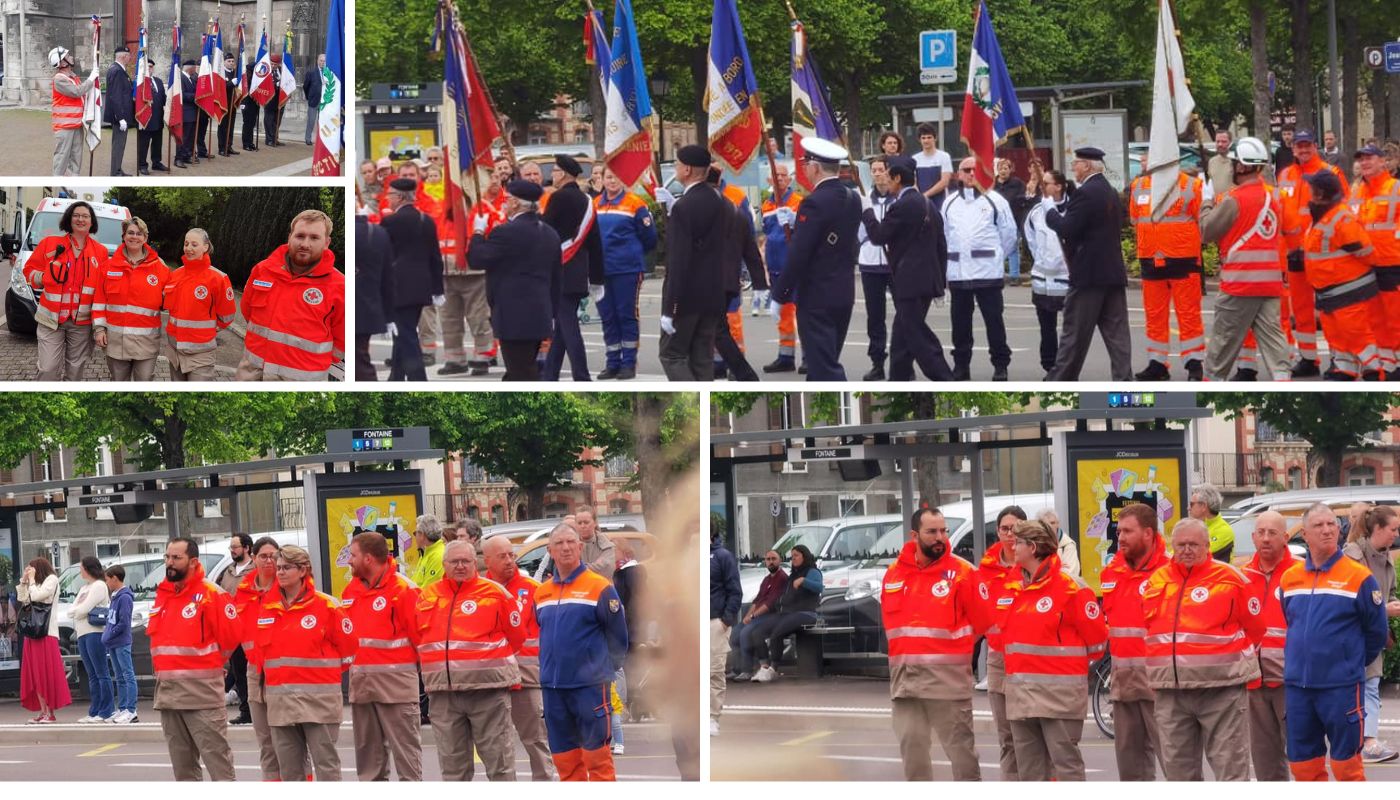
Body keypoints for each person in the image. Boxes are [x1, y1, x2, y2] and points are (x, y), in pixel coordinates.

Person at [1141, 518, 1263, 781]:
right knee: (1178, 774)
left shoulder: (1231, 579)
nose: (1187, 550)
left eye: (1194, 544)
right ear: (1172, 545)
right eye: (1181, 544)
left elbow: (1256, 628)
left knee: (1230, 770)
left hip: (1221, 691)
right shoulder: (1157, 580)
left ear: (1207, 546)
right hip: (1170, 692)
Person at [1280, 503, 1389, 780]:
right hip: (1298, 688)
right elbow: (1290, 622)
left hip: (1340, 688)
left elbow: (1376, 632)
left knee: (1347, 766)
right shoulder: (1290, 579)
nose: (1327, 530)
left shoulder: (1359, 576)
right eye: (1319, 525)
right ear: (1304, 534)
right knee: (1303, 765)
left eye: (1331, 524)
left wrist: (1349, 663)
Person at [883, 508, 988, 780]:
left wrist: (953, 649)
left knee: (962, 757)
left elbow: (983, 623)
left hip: (948, 687)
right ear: (914, 535)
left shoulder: (964, 573)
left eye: (944, 531)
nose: (940, 537)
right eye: (932, 532)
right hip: (906, 686)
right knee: (913, 756)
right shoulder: (894, 574)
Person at [997, 519, 1106, 781]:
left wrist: (1063, 668)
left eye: (1018, 541)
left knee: (1066, 769)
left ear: (1032, 547)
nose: (1012, 544)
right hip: (1021, 697)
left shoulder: (1071, 588)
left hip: (1059, 699)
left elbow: (1098, 641)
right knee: (1030, 774)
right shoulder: (1014, 586)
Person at [416, 539, 523, 782]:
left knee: (500, 765)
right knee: (453, 770)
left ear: (476, 563)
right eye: (455, 561)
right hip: (444, 694)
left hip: (488, 692)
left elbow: (517, 637)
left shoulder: (496, 594)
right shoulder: (427, 595)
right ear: (444, 564)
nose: (461, 566)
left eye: (466, 561)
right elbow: (418, 636)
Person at [535, 523, 629, 780]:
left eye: (570, 543)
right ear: (550, 550)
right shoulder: (541, 593)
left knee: (596, 759)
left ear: (580, 547)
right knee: (565, 760)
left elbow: (618, 636)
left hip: (590, 687)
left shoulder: (599, 587)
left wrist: (601, 670)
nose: (565, 548)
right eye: (559, 544)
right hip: (553, 689)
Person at [255, 545, 356, 781]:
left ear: (303, 571)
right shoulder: (268, 608)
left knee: (327, 768)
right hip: (281, 704)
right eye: (278, 567)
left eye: (286, 567)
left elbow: (349, 649)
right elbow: (263, 654)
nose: (280, 572)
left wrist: (320, 677)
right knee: (290, 773)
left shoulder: (328, 606)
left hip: (319, 704)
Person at [1200, 136, 1293, 382]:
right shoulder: (1273, 197)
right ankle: (1283, 381)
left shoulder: (1235, 199)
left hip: (1239, 285)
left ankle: (1211, 386)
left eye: (1233, 163)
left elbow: (1207, 232)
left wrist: (1207, 201)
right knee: (1274, 345)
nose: (1231, 167)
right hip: (1270, 285)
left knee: (1221, 348)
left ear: (1242, 166)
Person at [148, 537, 240, 780]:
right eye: (167, 557)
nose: (170, 562)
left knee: (219, 766)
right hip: (168, 696)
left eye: (176, 558)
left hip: (202, 696)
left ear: (193, 561)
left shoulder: (212, 595)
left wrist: (210, 665)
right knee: (183, 770)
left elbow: (231, 639)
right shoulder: (163, 594)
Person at [771, 137, 863, 381]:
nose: (804, 169)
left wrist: (780, 294)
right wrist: (797, 223)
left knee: (825, 371)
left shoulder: (813, 202)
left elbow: (800, 253)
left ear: (816, 167)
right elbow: (846, 242)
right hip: (843, 292)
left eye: (805, 163)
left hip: (816, 296)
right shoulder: (853, 198)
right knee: (821, 365)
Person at [861, 154, 954, 381]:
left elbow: (878, 236)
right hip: (925, 280)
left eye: (889, 177)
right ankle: (898, 380)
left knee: (916, 333)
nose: (886, 181)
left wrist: (867, 212)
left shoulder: (902, 205)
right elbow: (941, 246)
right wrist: (940, 283)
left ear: (897, 178)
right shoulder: (928, 204)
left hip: (909, 281)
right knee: (901, 338)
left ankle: (945, 379)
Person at [1045, 146, 1133, 380]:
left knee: (1074, 334)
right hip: (1112, 273)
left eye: (1076, 163)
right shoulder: (1109, 191)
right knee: (1118, 336)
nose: (1073, 168)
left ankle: (1060, 380)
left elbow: (1068, 228)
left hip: (1088, 276)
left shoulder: (1086, 193)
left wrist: (1050, 212)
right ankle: (1124, 380)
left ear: (1086, 165)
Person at [342, 531, 424, 781]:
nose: (349, 561)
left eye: (352, 555)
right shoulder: (350, 591)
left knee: (407, 762)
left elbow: (421, 639)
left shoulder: (404, 589)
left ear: (368, 558)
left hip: (396, 688)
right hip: (362, 687)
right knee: (369, 766)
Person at [1098, 503, 1168, 780]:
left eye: (1128, 531)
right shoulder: (1112, 572)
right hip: (1123, 681)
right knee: (1130, 768)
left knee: (1174, 762)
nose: (1120, 537)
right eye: (1119, 531)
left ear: (1148, 533)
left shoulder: (1168, 572)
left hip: (1159, 683)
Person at [467, 179, 561, 380]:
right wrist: (552, 312)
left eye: (507, 199)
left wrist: (477, 232)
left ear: (516, 203)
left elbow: (476, 259)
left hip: (513, 316)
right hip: (540, 313)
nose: (504, 203)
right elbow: (556, 278)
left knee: (521, 373)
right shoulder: (550, 233)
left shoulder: (505, 232)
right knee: (521, 369)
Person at [236, 209, 345, 381]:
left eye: (314, 237)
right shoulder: (262, 270)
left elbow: (344, 338)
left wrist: (310, 361)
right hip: (251, 372)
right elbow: (247, 311)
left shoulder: (340, 286)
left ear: (327, 242)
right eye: (300, 236)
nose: (305, 244)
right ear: (290, 237)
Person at [1279, 130, 1351, 376]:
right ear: (1293, 149)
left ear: (1315, 146)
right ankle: (1309, 359)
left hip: (1324, 253)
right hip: (1295, 254)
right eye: (1299, 146)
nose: (1303, 150)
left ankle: (1338, 359)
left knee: (1331, 309)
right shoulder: (1286, 175)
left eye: (1307, 145)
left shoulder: (1330, 174)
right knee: (1300, 310)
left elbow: (1343, 212)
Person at [1129, 153, 1207, 381]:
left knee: (1189, 315)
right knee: (1154, 316)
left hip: (1184, 261)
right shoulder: (1138, 186)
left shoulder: (1191, 185)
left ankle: (1194, 363)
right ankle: (1157, 363)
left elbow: (1202, 218)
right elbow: (1136, 218)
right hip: (1151, 260)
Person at [483, 535, 555, 780]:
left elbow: (547, 633)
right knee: (497, 743)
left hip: (527, 678)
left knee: (535, 738)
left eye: (511, 555)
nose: (509, 561)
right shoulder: (482, 590)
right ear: (488, 560)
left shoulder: (533, 590)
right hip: (493, 679)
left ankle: (543, 783)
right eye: (502, 556)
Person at [943, 156, 1017, 381]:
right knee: (960, 326)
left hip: (987, 274)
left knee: (994, 322)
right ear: (958, 173)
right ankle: (961, 366)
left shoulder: (995, 200)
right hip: (958, 274)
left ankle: (1000, 365)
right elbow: (945, 236)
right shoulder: (949, 203)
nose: (971, 174)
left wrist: (994, 258)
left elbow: (1009, 235)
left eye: (975, 170)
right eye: (966, 170)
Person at [1301, 170, 1381, 379]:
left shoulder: (1341, 218)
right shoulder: (1322, 216)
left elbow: (1366, 252)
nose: (1308, 193)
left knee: (1357, 336)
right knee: (1337, 337)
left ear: (1320, 193)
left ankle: (1376, 370)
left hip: (1348, 292)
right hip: (1330, 293)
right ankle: (1345, 369)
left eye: (1312, 189)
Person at [659, 145, 728, 381]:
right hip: (712, 294)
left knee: (672, 355)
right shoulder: (718, 200)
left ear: (687, 169)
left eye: (677, 164)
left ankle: (695, 403)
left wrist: (671, 308)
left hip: (686, 298)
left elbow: (679, 260)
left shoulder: (683, 206)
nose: (676, 169)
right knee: (702, 357)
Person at [233, 536, 299, 780]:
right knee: (266, 744)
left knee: (291, 746)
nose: (269, 561)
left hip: (282, 673)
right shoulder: (243, 590)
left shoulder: (288, 590)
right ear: (254, 558)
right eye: (263, 556)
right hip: (255, 672)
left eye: (274, 556)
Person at [1342, 505, 1400, 763]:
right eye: (1393, 529)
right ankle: (1365, 742)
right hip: (1352, 637)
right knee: (1360, 687)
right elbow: (1346, 600)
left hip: (1372, 636)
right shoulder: (1353, 556)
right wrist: (1383, 610)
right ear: (1377, 529)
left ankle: (1368, 741)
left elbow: (1388, 593)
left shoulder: (1385, 557)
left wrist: (1392, 604)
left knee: (1371, 685)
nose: (1396, 535)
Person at [439, 160, 506, 377]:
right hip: (447, 272)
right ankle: (454, 358)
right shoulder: (443, 211)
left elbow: (497, 239)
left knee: (478, 317)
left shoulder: (485, 209)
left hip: (474, 272)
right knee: (449, 318)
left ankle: (483, 356)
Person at [25, 201, 105, 381]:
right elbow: (28, 271)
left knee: (75, 373)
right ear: (69, 219)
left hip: (81, 324)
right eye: (76, 215)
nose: (80, 219)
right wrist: (45, 277)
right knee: (48, 369)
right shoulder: (50, 244)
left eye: (85, 216)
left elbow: (102, 289)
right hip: (51, 320)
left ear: (92, 222)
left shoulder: (100, 252)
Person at [542, 155, 604, 381]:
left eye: (556, 170)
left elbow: (545, 232)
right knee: (562, 328)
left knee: (568, 327)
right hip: (579, 271)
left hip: (561, 270)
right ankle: (549, 375)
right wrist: (597, 278)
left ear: (565, 174)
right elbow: (595, 241)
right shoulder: (587, 200)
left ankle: (582, 376)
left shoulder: (558, 198)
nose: (552, 175)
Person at [1243, 510, 1295, 780]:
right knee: (1264, 761)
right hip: (1253, 682)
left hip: (1291, 681)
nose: (1265, 538)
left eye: (1272, 533)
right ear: (1253, 537)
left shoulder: (1299, 573)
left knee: (1302, 756)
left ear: (1285, 537)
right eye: (1260, 532)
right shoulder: (1240, 577)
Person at [594, 166, 658, 380]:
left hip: (627, 270)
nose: (613, 181)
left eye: (617, 177)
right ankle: (612, 362)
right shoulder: (595, 205)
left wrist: (631, 254)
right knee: (607, 316)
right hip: (601, 271)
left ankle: (628, 363)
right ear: (601, 179)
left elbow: (649, 237)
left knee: (626, 315)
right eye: (609, 177)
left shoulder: (635, 204)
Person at [379, 177, 443, 382]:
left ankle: (418, 379)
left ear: (399, 197)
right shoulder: (427, 220)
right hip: (421, 287)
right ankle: (395, 378)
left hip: (398, 287)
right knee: (402, 333)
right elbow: (435, 257)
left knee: (406, 335)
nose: (387, 199)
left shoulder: (390, 221)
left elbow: (383, 256)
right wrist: (438, 289)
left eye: (389, 194)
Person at [89, 217, 168, 381]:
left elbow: (171, 300)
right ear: (124, 236)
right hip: (116, 342)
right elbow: (99, 301)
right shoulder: (107, 267)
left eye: (139, 233)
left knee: (144, 385)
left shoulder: (160, 268)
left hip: (146, 343)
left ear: (145, 238)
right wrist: (99, 329)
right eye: (130, 233)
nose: (134, 237)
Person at [1349, 144, 1400, 377]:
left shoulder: (1395, 189)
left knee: (1394, 318)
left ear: (1383, 161)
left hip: (1391, 263)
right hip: (1364, 266)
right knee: (1374, 319)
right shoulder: (1357, 192)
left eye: (1370, 158)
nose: (1365, 162)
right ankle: (1387, 366)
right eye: (1362, 159)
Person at [163, 228, 235, 381]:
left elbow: (227, 316)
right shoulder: (175, 275)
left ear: (206, 247)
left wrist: (210, 330)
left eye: (194, 244)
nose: (188, 248)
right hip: (174, 350)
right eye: (186, 243)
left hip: (201, 354)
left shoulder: (218, 278)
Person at [1023, 166, 1073, 374]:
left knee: (1071, 330)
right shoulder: (1036, 212)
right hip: (1042, 281)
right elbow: (1030, 239)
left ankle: (1067, 368)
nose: (1042, 185)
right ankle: (1049, 367)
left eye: (1047, 182)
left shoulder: (1074, 209)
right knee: (1047, 328)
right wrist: (1042, 260)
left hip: (1068, 280)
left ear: (1059, 186)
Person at [750, 544, 824, 683]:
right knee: (757, 631)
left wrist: (804, 581)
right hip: (787, 613)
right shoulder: (793, 575)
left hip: (806, 613)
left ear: (804, 556)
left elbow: (819, 587)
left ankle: (774, 668)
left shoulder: (812, 571)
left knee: (777, 632)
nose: (793, 559)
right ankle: (764, 666)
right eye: (792, 556)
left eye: (796, 556)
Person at [759, 163, 804, 373]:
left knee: (802, 312)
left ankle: (809, 357)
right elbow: (767, 234)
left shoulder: (798, 202)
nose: (779, 179)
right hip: (776, 265)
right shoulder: (767, 204)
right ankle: (786, 357)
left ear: (789, 179)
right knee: (783, 313)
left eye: (783, 175)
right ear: (769, 180)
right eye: (775, 175)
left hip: (793, 264)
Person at [857, 156, 896, 380]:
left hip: (894, 264)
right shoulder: (865, 200)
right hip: (871, 263)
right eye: (874, 170)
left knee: (904, 315)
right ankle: (877, 362)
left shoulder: (897, 199)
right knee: (875, 316)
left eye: (881, 169)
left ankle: (905, 362)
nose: (878, 174)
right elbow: (859, 231)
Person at [18, 558, 71, 724]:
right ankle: (42, 711)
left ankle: (50, 713)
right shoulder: (36, 582)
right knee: (35, 673)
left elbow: (37, 596)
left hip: (46, 632)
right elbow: (24, 599)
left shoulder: (52, 580)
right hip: (33, 632)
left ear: (38, 568)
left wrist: (32, 581)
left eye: (31, 568)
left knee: (44, 672)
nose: (29, 571)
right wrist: (24, 581)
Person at [213, 533, 254, 723]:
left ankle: (258, 709)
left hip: (251, 629)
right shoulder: (228, 572)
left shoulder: (255, 569)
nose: (232, 550)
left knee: (254, 671)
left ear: (246, 548)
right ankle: (246, 711)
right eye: (231, 547)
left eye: (235, 547)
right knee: (238, 672)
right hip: (232, 630)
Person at [67, 556, 113, 723]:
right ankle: (94, 711)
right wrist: (78, 611)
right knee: (92, 674)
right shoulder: (84, 587)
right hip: (82, 633)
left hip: (95, 632)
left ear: (88, 568)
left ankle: (106, 710)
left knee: (101, 672)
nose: (80, 570)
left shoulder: (100, 585)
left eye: (81, 567)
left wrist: (78, 611)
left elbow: (82, 610)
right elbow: (72, 609)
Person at [730, 550, 787, 681]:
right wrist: (748, 616)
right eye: (768, 559)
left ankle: (747, 670)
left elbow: (770, 603)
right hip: (758, 616)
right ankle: (736, 669)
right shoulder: (766, 579)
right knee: (735, 633)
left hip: (772, 615)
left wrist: (753, 617)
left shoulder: (782, 578)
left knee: (746, 632)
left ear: (780, 561)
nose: (771, 562)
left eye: (774, 559)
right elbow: (757, 600)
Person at [355, 207, 395, 380]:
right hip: (367, 306)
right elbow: (388, 279)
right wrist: (389, 316)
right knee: (361, 359)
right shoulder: (378, 234)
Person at [710, 526, 741, 735]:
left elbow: (734, 590)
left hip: (714, 621)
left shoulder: (722, 557)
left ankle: (712, 716)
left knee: (713, 671)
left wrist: (725, 620)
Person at [49, 47, 98, 176]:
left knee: (76, 157)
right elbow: (77, 92)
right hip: (65, 127)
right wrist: (91, 79)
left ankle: (73, 181)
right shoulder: (59, 79)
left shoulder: (73, 77)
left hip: (77, 124)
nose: (71, 57)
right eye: (67, 55)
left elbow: (82, 94)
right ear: (63, 62)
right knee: (62, 157)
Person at [101, 565, 137, 724]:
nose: (106, 583)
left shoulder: (124, 597)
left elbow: (123, 622)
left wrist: (109, 634)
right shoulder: (115, 596)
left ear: (115, 578)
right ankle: (122, 708)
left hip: (121, 642)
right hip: (114, 642)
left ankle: (131, 710)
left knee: (128, 675)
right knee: (120, 677)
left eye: (108, 579)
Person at [993, 158, 1028, 284]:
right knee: (996, 247)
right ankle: (997, 274)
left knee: (1013, 247)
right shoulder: (992, 184)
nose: (1003, 171)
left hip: (1013, 220)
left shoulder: (1017, 183)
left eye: (1005, 168)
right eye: (1001, 168)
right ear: (997, 170)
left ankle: (1014, 275)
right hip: (996, 221)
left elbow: (1022, 197)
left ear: (1010, 170)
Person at [104, 46, 135, 176]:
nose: (130, 58)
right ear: (123, 57)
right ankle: (115, 172)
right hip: (119, 116)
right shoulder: (117, 71)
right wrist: (120, 117)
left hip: (121, 114)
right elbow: (116, 96)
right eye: (128, 56)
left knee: (120, 145)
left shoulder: (118, 70)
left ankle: (117, 169)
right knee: (118, 144)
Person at [912, 122, 954, 213]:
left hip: (940, 204)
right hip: (921, 205)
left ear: (935, 138)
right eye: (923, 138)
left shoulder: (944, 156)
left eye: (929, 137)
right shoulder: (914, 159)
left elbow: (945, 182)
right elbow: (913, 182)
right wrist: (919, 197)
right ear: (919, 140)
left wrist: (925, 195)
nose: (926, 141)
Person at [136, 59, 169, 174]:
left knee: (157, 142)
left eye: (151, 66)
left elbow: (163, 98)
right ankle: (142, 165)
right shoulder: (139, 82)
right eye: (147, 66)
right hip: (145, 118)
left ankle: (156, 162)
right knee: (144, 143)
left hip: (158, 117)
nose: (149, 68)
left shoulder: (158, 81)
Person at [1188, 483, 1235, 561]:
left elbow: (1196, 555)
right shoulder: (1194, 528)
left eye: (1191, 504)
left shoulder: (1223, 530)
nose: (1188, 508)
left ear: (1203, 506)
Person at [1035, 508, 1079, 578]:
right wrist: (1057, 568)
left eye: (1053, 523)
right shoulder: (1034, 545)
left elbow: (1070, 574)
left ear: (1058, 524)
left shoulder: (1067, 545)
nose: (1050, 526)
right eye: (1046, 524)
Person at [575, 506, 615, 581]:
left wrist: (577, 569)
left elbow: (605, 569)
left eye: (586, 522)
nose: (583, 526)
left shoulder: (607, 545)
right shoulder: (571, 545)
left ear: (595, 523)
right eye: (579, 523)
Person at [411, 513, 447, 587]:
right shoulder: (426, 553)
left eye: (415, 533)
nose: (415, 537)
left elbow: (428, 590)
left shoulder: (438, 556)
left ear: (422, 535)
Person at [174, 61, 198, 168]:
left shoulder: (191, 78)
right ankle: (178, 158)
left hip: (192, 112)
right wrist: (196, 96)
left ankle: (186, 155)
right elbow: (182, 95)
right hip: (185, 112)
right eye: (195, 68)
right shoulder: (181, 79)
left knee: (190, 137)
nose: (196, 70)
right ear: (190, 68)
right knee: (183, 137)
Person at [216, 54, 240, 157]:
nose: (231, 63)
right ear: (224, 62)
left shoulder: (235, 73)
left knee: (231, 126)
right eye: (228, 61)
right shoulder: (221, 74)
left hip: (232, 104)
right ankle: (222, 148)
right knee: (223, 127)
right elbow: (221, 88)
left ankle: (229, 146)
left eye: (232, 61)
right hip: (223, 104)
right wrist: (231, 83)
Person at [303, 54, 325, 146]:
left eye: (324, 61)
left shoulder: (329, 73)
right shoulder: (311, 72)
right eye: (321, 60)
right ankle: (308, 138)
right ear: (317, 61)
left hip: (325, 102)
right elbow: (305, 86)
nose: (322, 63)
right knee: (311, 121)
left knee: (323, 121)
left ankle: (321, 140)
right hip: (314, 101)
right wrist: (309, 97)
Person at [240, 62, 262, 153]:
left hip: (254, 104)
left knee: (252, 124)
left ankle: (250, 142)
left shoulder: (256, 78)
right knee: (247, 124)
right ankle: (246, 143)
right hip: (247, 103)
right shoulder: (246, 79)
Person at [1207, 129, 1236, 198]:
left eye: (1224, 142)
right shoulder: (1211, 161)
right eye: (1218, 141)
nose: (1220, 144)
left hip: (1233, 204)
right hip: (1217, 205)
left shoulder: (1236, 161)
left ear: (1230, 143)